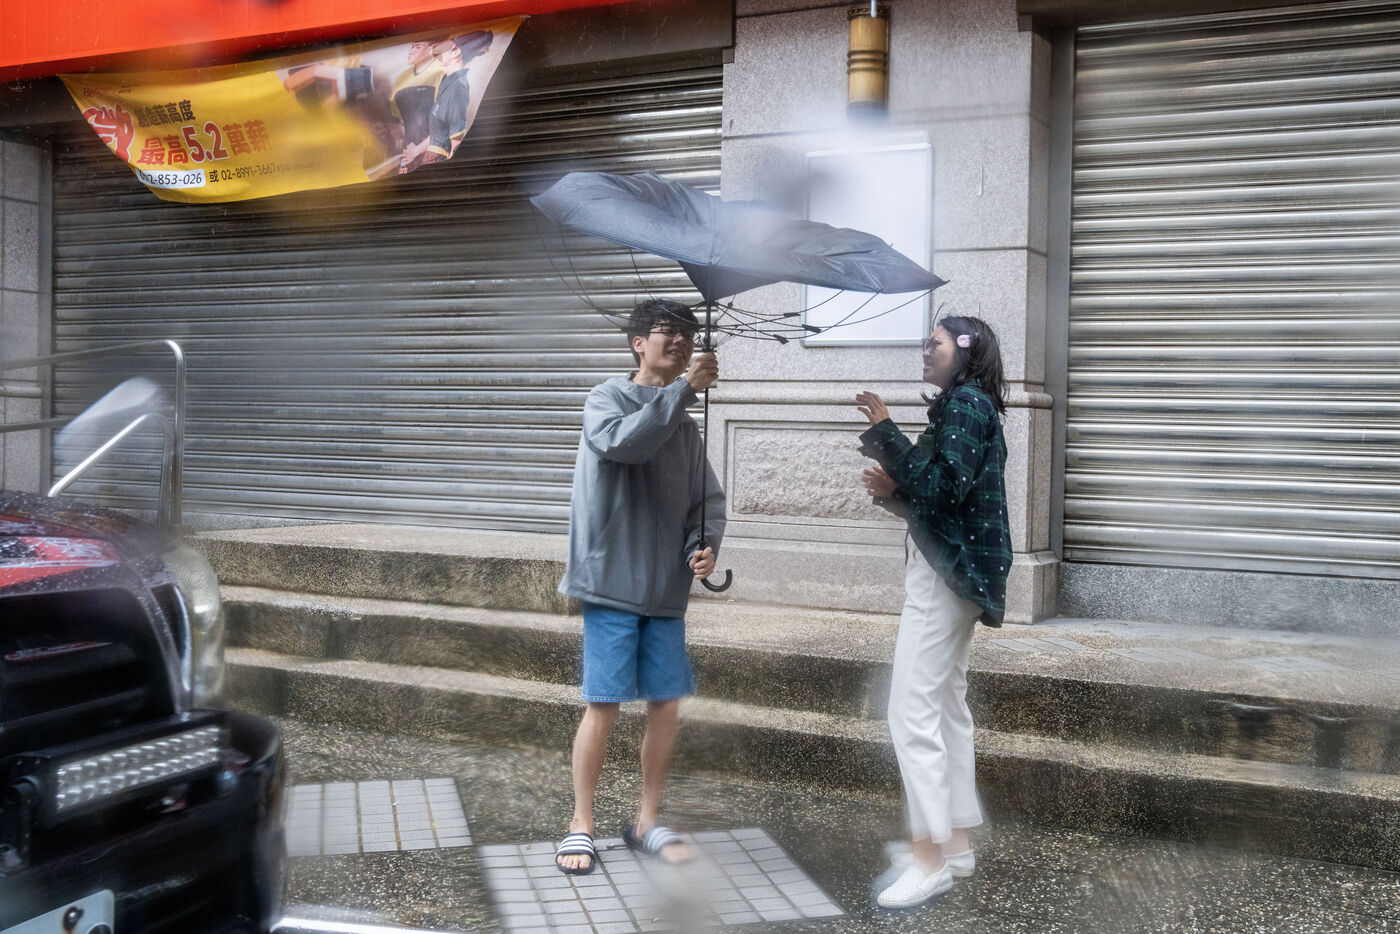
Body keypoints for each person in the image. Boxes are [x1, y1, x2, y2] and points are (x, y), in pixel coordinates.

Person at [554, 299, 726, 875]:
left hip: (665, 589)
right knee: (603, 702)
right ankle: (581, 823)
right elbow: (623, 444)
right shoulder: (606, 399)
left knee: (665, 704)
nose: (680, 341)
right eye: (667, 331)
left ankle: (647, 821)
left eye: (687, 334)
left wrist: (703, 546)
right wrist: (683, 393)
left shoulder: (686, 425)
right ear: (637, 343)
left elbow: (707, 501)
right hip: (610, 580)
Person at [854, 315, 1013, 909]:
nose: (925, 350)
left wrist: (885, 431)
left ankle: (929, 861)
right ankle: (956, 844)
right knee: (946, 707)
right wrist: (895, 493)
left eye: (936, 343)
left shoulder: (966, 406)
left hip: (946, 578)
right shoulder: (966, 407)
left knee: (910, 713)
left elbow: (943, 489)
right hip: (957, 570)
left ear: (966, 353)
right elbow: (942, 499)